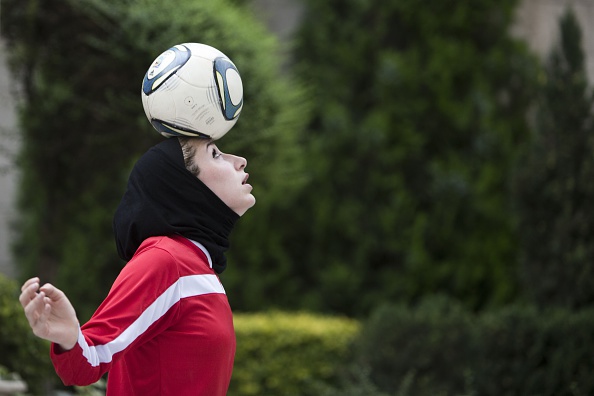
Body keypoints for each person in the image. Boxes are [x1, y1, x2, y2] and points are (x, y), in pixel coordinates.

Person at [18, 136, 255, 395]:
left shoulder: (198, 265)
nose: (239, 161)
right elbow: (87, 362)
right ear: (183, 186)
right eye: (215, 154)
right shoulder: (165, 260)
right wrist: (68, 337)